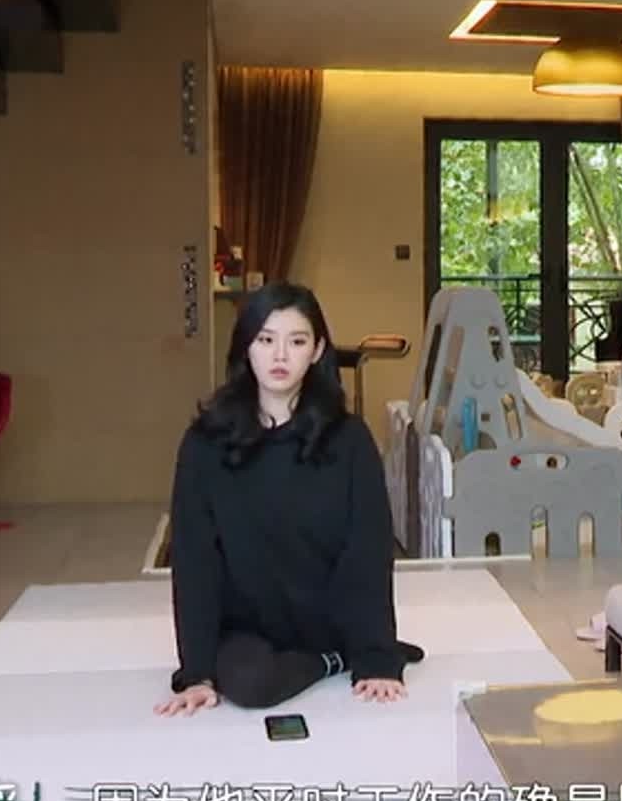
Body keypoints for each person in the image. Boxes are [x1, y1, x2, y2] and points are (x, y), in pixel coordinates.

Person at [154, 282, 422, 716]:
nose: (280, 356)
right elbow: (195, 560)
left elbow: (367, 551)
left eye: (296, 342)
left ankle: (343, 650)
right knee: (250, 686)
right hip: (247, 628)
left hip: (326, 616)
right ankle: (331, 661)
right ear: (246, 347)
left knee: (322, 651)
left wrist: (375, 658)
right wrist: (197, 673)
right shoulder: (205, 443)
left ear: (317, 351)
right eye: (265, 340)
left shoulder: (348, 439)